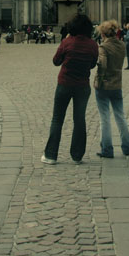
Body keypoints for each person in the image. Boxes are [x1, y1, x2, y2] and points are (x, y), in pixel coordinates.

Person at [42, 13, 98, 165]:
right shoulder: (93, 44)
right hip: (82, 86)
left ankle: (51, 155)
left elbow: (56, 61)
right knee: (79, 120)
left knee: (57, 119)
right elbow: (93, 64)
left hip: (64, 84)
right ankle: (77, 155)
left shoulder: (67, 42)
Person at [93, 20, 129, 159]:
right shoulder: (122, 45)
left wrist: (99, 79)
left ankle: (107, 149)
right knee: (120, 116)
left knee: (104, 118)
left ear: (103, 33)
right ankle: (128, 147)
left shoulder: (103, 47)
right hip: (117, 84)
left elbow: (103, 65)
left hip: (104, 86)